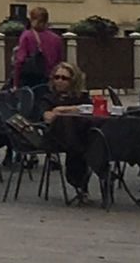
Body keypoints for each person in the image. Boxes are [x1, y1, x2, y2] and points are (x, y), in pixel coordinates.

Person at [38, 62, 101, 203]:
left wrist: (61, 110)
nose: (59, 81)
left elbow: (91, 110)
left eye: (64, 78)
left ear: (73, 81)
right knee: (75, 140)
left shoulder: (82, 97)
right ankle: (89, 177)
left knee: (87, 139)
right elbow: (47, 117)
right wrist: (72, 110)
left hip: (82, 136)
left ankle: (89, 177)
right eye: (57, 77)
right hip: (57, 138)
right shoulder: (48, 98)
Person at [11, 6, 64, 90]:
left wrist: (15, 84)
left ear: (31, 19)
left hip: (31, 80)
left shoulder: (27, 35)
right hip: (50, 80)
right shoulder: (56, 38)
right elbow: (59, 61)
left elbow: (20, 60)